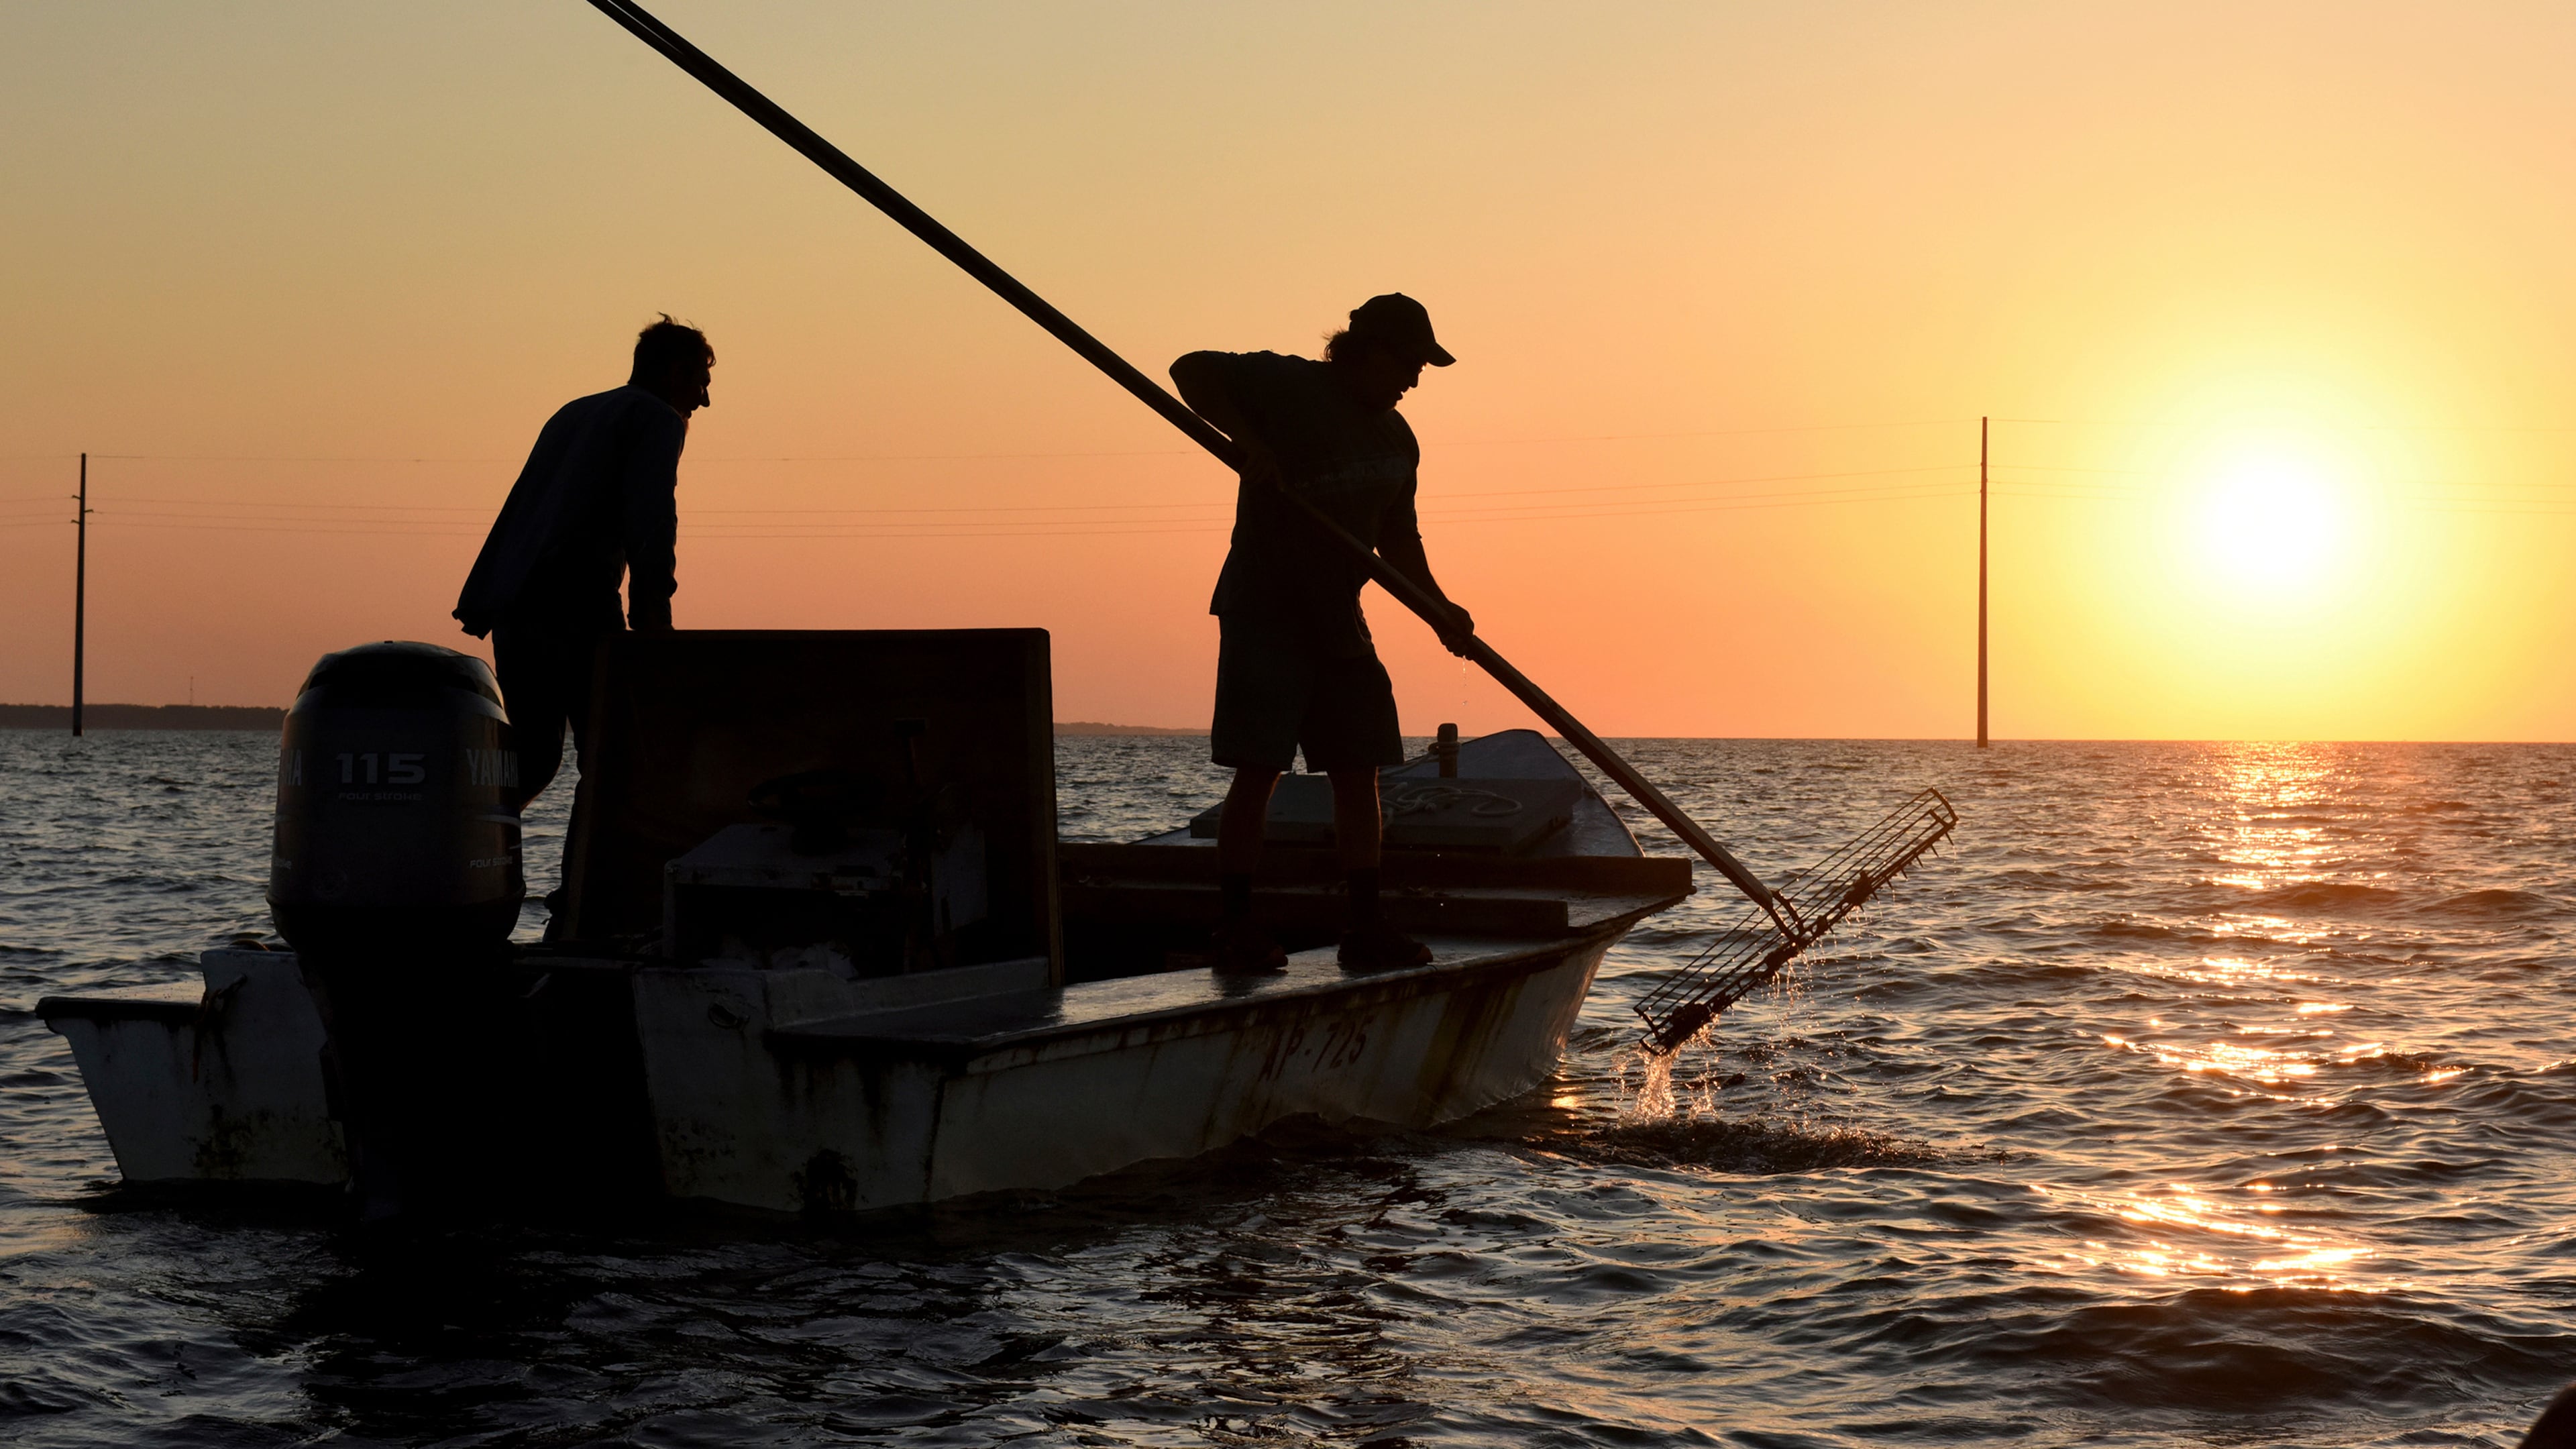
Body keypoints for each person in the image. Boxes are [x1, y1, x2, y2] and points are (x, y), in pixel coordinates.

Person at [1171, 293, 1477, 975]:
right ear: (1364, 351)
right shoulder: (1292, 387)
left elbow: (1399, 539)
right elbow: (1189, 370)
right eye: (1408, 363)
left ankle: (1366, 928)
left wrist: (1439, 610)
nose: (1415, 379)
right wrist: (1250, 446)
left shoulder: (1398, 439)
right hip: (1266, 607)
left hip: (1340, 616)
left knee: (1358, 767)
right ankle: (1237, 925)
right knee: (1260, 768)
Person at [453, 315, 713, 808]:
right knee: (612, 755)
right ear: (676, 372)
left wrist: (487, 598)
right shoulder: (656, 418)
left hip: (515, 608)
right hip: (575, 603)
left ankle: (457, 849)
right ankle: (587, 886)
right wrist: (653, 617)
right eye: (701, 381)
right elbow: (653, 517)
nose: (703, 400)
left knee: (533, 755)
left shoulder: (574, 413)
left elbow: (523, 508)